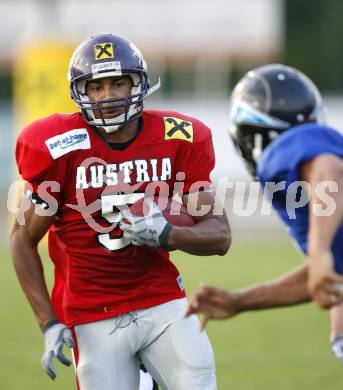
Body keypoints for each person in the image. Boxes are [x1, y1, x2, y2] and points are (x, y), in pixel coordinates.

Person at [11, 33, 231, 390]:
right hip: (91, 311)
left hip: (161, 300)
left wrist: (169, 234)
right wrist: (47, 322)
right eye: (96, 87)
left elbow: (220, 234)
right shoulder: (58, 146)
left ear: (139, 84)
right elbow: (22, 238)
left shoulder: (177, 136)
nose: (108, 96)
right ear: (80, 92)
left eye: (118, 83)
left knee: (199, 377)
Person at [186, 64, 343, 362]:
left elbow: (331, 172)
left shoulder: (281, 154)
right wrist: (238, 302)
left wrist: (320, 252)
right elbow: (330, 273)